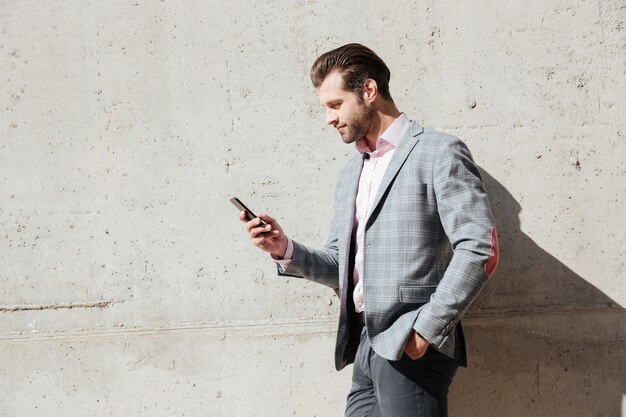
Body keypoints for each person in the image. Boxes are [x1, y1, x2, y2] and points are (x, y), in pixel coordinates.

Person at [239, 43, 499, 417]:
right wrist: (284, 248)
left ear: (369, 91)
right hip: (364, 341)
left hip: (411, 345)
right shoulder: (351, 174)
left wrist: (426, 329)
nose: (328, 118)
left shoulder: (438, 152)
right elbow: (339, 267)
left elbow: (480, 247)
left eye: (335, 104)